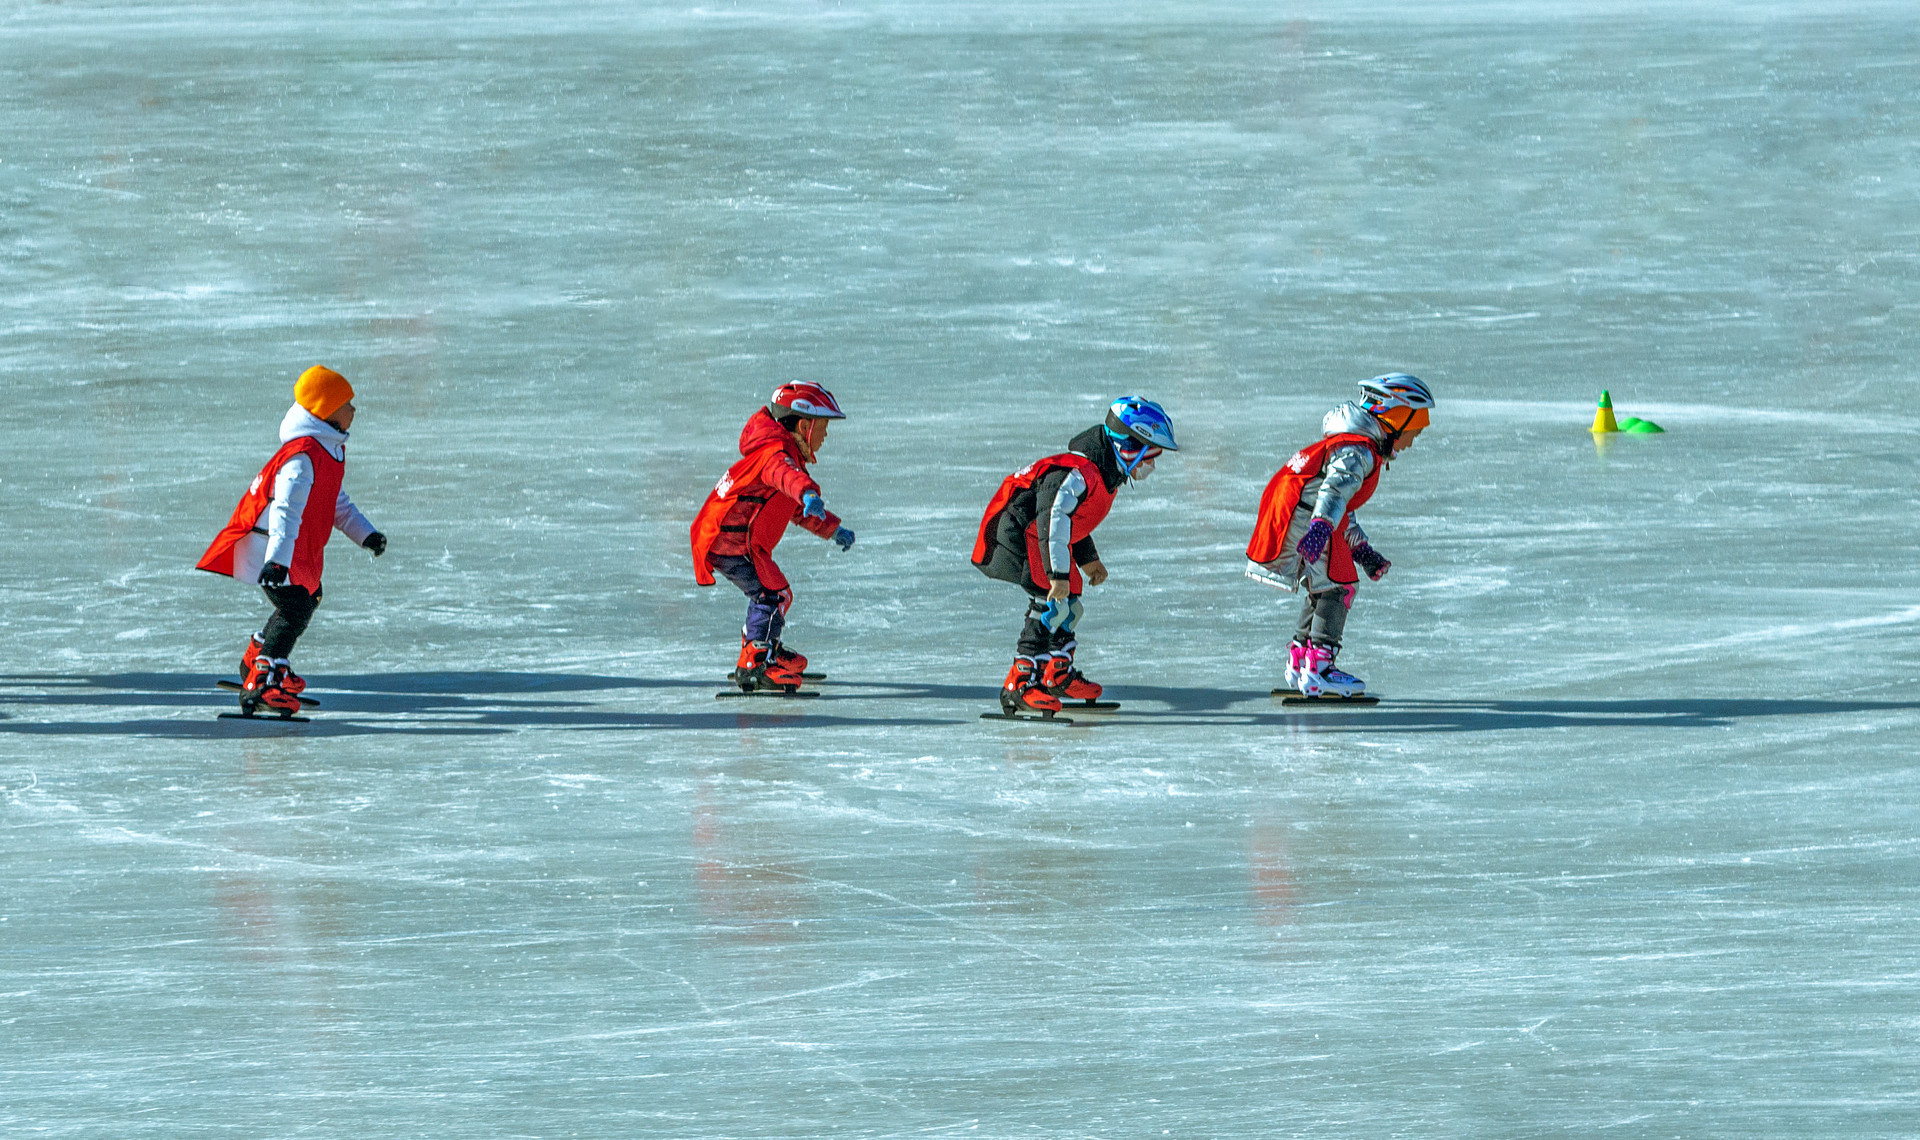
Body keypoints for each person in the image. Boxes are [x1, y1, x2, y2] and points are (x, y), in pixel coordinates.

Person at [196, 366, 386, 714]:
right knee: (295, 606)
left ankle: (257, 658)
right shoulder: (301, 458)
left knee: (306, 599)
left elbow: (336, 503)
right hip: (274, 550)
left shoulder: (326, 450)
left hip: (296, 551)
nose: (354, 410)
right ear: (326, 410)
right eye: (346, 403)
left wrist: (366, 534)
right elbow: (283, 512)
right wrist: (277, 562)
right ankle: (263, 680)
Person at [972, 396, 1177, 715]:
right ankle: (1020, 682)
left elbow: (1073, 522)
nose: (1151, 466)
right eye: (1150, 457)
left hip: (1042, 537)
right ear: (1127, 448)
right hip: (1018, 534)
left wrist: (1088, 560)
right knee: (1048, 602)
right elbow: (1051, 520)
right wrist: (1056, 575)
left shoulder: (1101, 475)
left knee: (1071, 604)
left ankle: (1056, 673)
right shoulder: (1077, 474)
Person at [1245, 373, 1433, 697]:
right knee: (1340, 586)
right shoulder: (1357, 452)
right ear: (1395, 421)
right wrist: (1319, 529)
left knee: (1323, 586)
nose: (1412, 441)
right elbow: (1332, 494)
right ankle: (1319, 668)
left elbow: (1342, 508)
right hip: (1305, 517)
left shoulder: (1351, 444)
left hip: (1295, 511)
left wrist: (1362, 552)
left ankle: (1300, 659)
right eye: (1413, 431)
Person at [691, 383, 857, 691]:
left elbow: (795, 508)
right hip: (732, 542)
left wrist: (833, 529)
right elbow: (788, 479)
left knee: (773, 594)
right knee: (772, 595)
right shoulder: (776, 456)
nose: (825, 436)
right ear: (805, 425)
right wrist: (806, 491)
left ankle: (765, 647)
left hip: (737, 541)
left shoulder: (780, 453)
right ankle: (754, 662)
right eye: (823, 427)